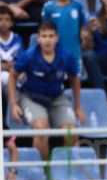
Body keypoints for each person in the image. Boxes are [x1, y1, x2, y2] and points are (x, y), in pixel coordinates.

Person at [8, 21, 85, 160]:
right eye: (44, 36)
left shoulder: (67, 56)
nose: (48, 40)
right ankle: (44, 173)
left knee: (71, 132)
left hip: (57, 97)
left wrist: (77, 107)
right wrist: (13, 104)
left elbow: (75, 78)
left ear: (57, 38)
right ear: (38, 38)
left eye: (51, 36)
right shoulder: (28, 56)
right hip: (32, 97)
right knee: (41, 129)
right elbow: (12, 76)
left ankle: (62, 170)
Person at [42, 0, 87, 73]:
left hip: (74, 51)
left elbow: (82, 25)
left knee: (75, 79)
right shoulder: (48, 7)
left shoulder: (77, 5)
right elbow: (45, 29)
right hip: (56, 51)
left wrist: (84, 35)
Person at [0, 6, 24, 94]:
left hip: (16, 72)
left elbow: (21, 60)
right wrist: (3, 66)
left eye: (7, 19)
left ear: (12, 22)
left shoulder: (17, 39)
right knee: (5, 77)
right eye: (0, 19)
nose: (3, 22)